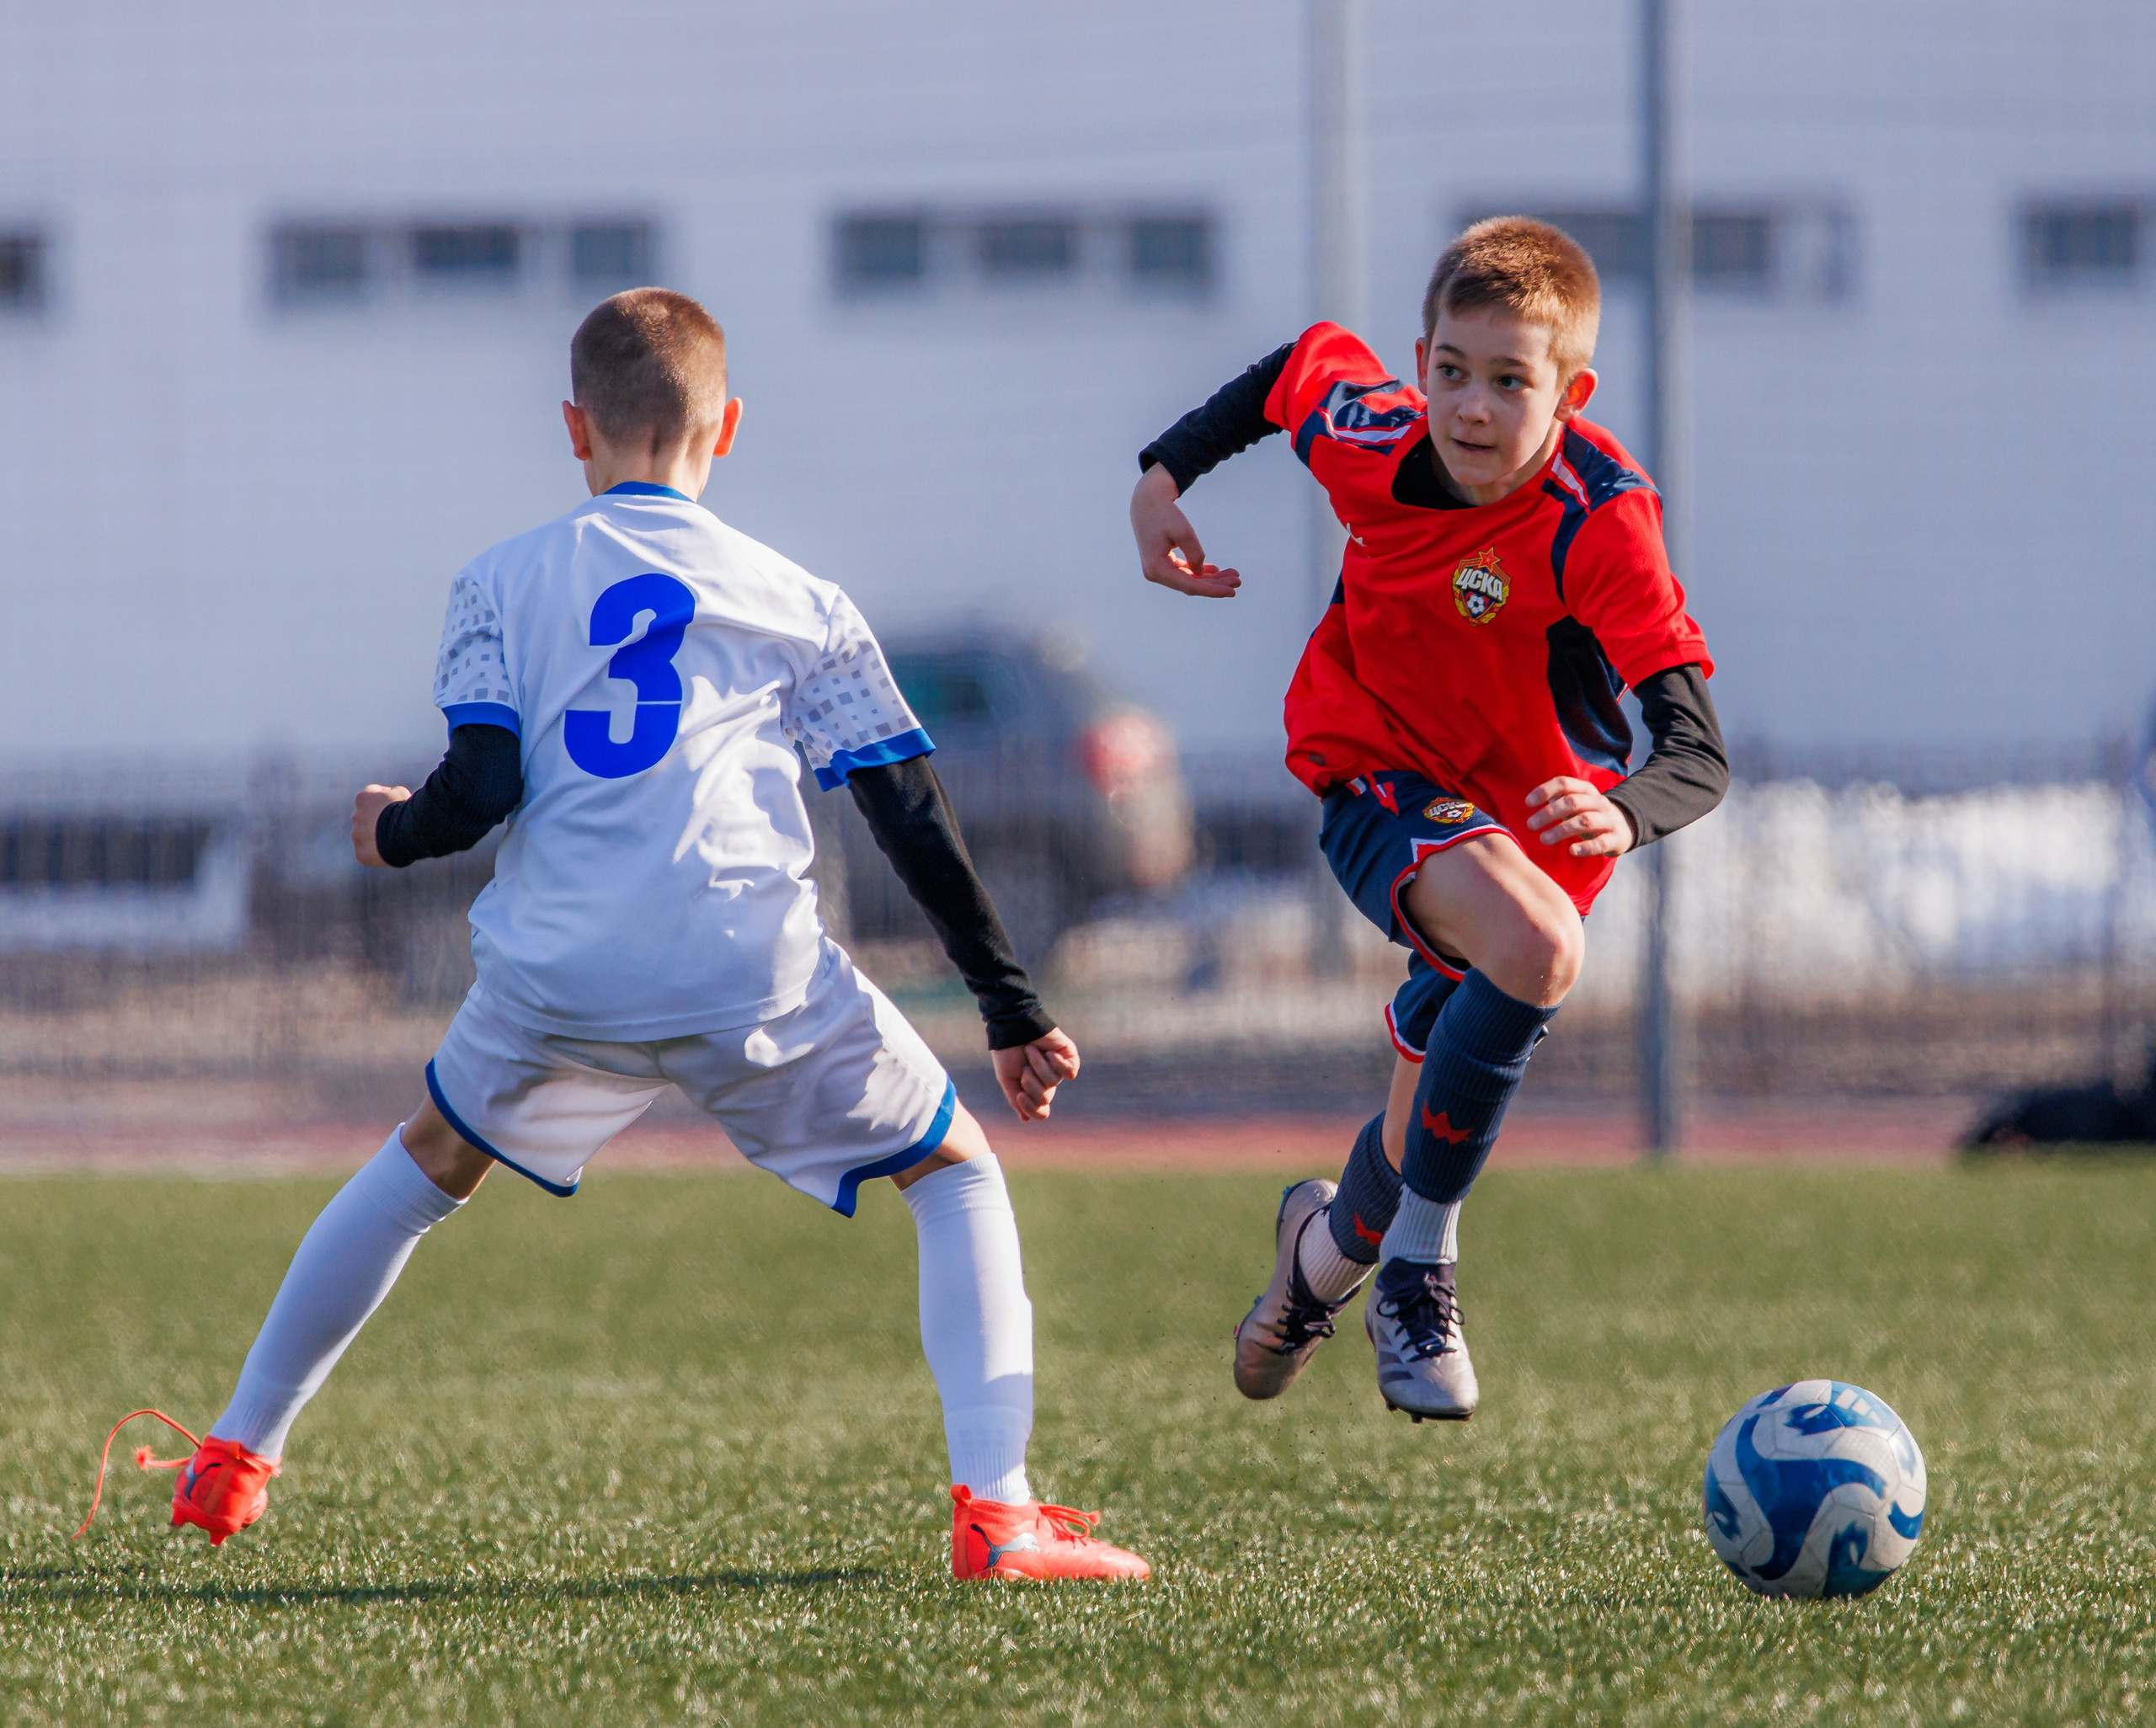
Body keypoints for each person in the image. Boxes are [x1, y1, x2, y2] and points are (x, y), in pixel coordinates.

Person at [86, 288, 1147, 1582]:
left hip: (560, 974)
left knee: (419, 1169)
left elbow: (479, 792)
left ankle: (235, 1456)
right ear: (729, 427)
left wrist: (389, 835)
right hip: (746, 965)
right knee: (957, 1172)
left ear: (573, 427)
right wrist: (1012, 1008)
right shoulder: (798, 597)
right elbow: (909, 812)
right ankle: (1000, 1511)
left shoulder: (500, 579)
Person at [1128, 218, 1726, 1421]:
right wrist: (1160, 480)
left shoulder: (1600, 519)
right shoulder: (1373, 433)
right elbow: (1294, 370)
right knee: (1543, 949)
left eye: (1511, 381)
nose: (1470, 405)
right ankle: (1422, 1271)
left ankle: (1318, 1264)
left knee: (1408, 1150)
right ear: (1421, 359)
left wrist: (1622, 814)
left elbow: (1697, 753)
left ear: (1573, 391)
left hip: (1534, 841)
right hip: (1373, 770)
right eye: (1451, 369)